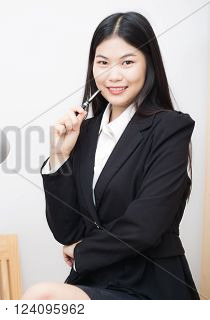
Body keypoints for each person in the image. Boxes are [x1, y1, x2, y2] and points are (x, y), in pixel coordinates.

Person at [22, 11, 200, 300]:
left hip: (150, 285)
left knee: (42, 297)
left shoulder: (170, 128)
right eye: (102, 63)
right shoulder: (85, 131)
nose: (113, 75)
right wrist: (60, 156)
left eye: (127, 62)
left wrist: (82, 252)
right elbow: (67, 230)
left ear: (148, 65)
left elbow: (145, 225)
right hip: (96, 281)